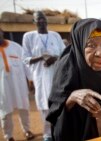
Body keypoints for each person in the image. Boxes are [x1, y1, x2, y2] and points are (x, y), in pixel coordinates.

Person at [46, 18, 101, 141]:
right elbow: (56, 114)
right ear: (79, 44)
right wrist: (72, 98)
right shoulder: (66, 68)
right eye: (91, 45)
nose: (100, 53)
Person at [22, 11, 65, 141]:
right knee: (43, 105)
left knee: (59, 103)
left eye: (43, 18)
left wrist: (54, 58)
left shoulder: (55, 35)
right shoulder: (28, 37)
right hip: (40, 77)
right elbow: (25, 58)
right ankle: (47, 135)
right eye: (38, 19)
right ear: (34, 22)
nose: (41, 21)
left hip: (56, 75)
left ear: (46, 20)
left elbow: (64, 54)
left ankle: (60, 132)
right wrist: (41, 57)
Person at [0, 28, 34, 141]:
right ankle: (8, 136)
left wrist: (30, 79)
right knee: (5, 112)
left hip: (19, 84)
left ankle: (27, 130)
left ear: (2, 32)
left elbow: (26, 64)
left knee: (24, 107)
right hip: (2, 88)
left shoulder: (15, 47)